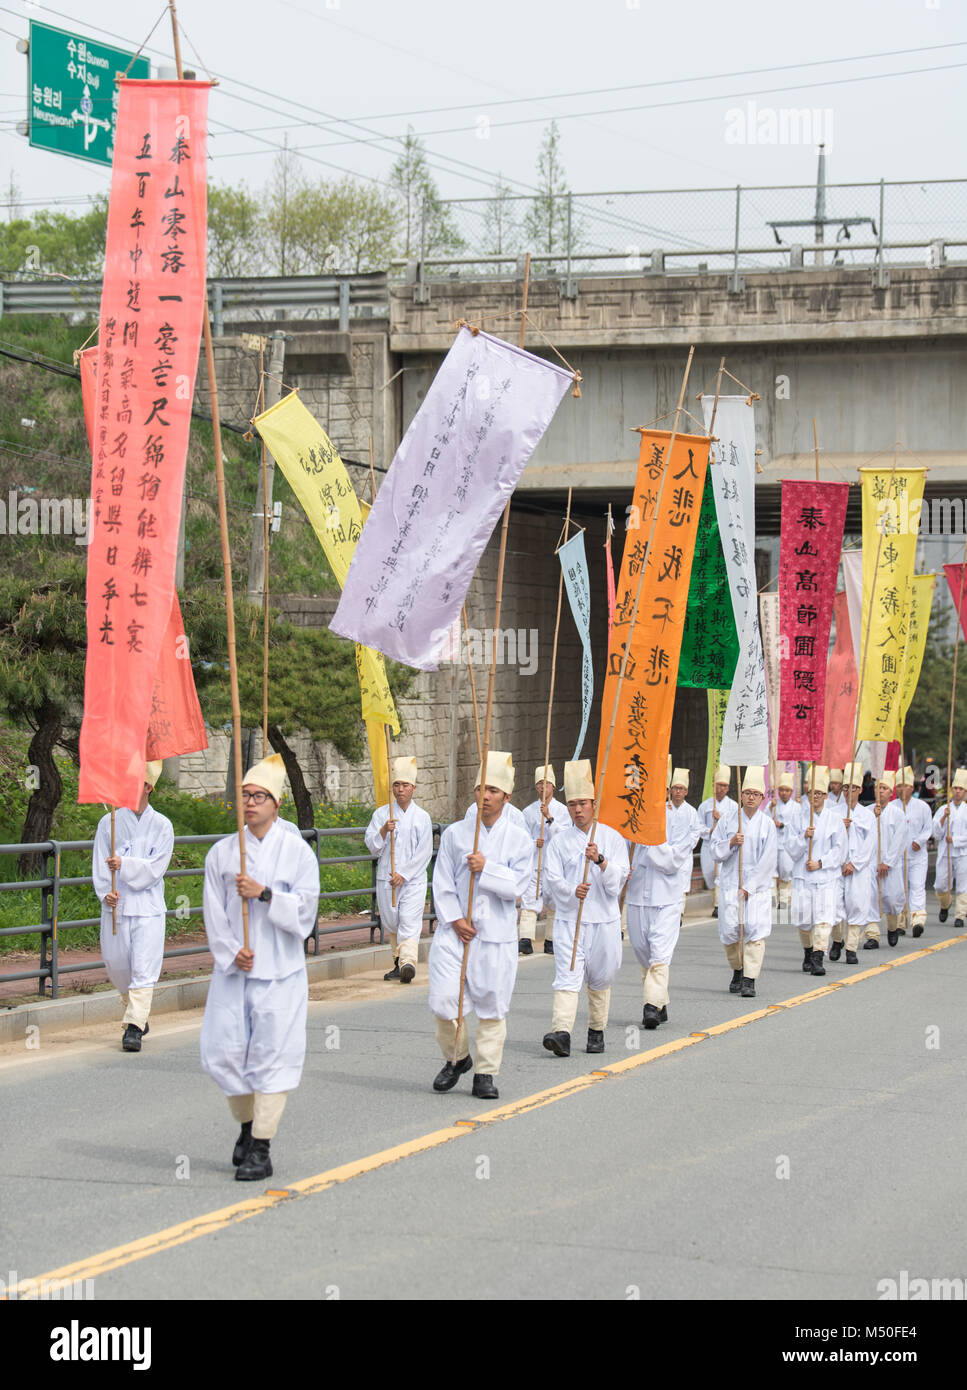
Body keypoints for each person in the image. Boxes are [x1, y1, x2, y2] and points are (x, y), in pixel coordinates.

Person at [200, 754, 320, 1182]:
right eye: (245, 795)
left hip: (280, 974)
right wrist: (232, 951)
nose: (250, 802)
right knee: (224, 1053)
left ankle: (262, 1147)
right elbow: (212, 911)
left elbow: (305, 913)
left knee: (271, 1057)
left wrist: (265, 894)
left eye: (259, 796)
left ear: (276, 804)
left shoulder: (297, 853)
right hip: (234, 973)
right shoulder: (222, 853)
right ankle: (248, 1127)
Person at [429, 752, 533, 1100]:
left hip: (495, 937)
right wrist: (455, 919)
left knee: (492, 1007)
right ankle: (457, 1058)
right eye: (480, 789)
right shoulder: (457, 834)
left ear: (506, 796)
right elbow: (441, 880)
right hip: (455, 933)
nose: (485, 796)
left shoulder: (518, 839)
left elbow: (518, 888)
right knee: (444, 1001)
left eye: (493, 790)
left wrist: (486, 867)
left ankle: (486, 1073)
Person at [541, 760, 629, 1057]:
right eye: (573, 804)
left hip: (604, 919)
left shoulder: (612, 838)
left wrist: (601, 861)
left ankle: (596, 1029)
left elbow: (619, 880)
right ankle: (562, 1032)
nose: (578, 810)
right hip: (570, 919)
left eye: (583, 804)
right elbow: (552, 878)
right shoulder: (560, 842)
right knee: (567, 976)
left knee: (601, 977)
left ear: (594, 804)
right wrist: (571, 890)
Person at [92, 760, 174, 1053]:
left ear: (149, 787)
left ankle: (134, 1027)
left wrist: (124, 864)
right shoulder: (109, 822)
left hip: (148, 907)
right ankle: (137, 1011)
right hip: (118, 906)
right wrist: (105, 892)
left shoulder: (163, 826)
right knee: (117, 964)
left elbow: (155, 869)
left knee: (143, 966)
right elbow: (100, 861)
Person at [625, 766, 701, 1028]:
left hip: (667, 896)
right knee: (642, 951)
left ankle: (650, 1008)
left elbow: (672, 860)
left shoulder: (677, 820)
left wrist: (649, 839)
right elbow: (621, 854)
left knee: (659, 953)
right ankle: (659, 999)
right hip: (636, 897)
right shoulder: (632, 816)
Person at [365, 756, 433, 984]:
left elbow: (424, 852)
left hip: (412, 881)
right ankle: (399, 962)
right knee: (392, 921)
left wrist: (404, 873)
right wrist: (384, 830)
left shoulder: (422, 818)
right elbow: (372, 846)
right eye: (397, 785)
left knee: (409, 920)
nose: (400, 789)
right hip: (387, 879)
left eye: (405, 785)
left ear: (413, 788)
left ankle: (408, 962)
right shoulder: (382, 815)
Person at [710, 766, 777, 998]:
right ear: (741, 795)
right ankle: (738, 969)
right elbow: (713, 850)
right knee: (730, 932)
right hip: (730, 883)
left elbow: (768, 859)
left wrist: (750, 886)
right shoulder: (729, 820)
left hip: (756, 888)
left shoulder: (767, 824)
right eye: (747, 792)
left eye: (755, 794)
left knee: (755, 932)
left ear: (762, 797)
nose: (751, 797)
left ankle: (750, 979)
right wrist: (730, 842)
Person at [788, 766, 847, 977]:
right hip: (803, 876)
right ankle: (807, 951)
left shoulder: (834, 819)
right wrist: (803, 838)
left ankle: (818, 956)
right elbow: (790, 847)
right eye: (812, 793)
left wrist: (821, 863)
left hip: (825, 877)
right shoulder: (798, 817)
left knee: (824, 918)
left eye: (820, 793)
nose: (816, 797)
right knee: (804, 919)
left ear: (825, 794)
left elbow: (840, 849)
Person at [828, 762, 878, 963]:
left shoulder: (867, 816)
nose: (849, 791)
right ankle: (837, 940)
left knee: (857, 904)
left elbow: (870, 844)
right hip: (837, 868)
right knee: (836, 905)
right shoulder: (833, 813)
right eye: (846, 787)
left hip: (858, 869)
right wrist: (840, 827)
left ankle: (851, 948)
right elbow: (827, 840)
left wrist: (854, 864)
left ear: (860, 790)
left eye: (854, 788)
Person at [519, 764, 566, 957]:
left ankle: (550, 940)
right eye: (539, 784)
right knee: (529, 900)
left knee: (554, 902)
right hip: (534, 862)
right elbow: (520, 838)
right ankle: (526, 939)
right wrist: (533, 843)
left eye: (546, 784)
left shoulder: (562, 810)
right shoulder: (528, 812)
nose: (542, 787)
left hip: (553, 863)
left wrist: (549, 818)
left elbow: (565, 836)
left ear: (553, 787)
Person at [896, 766, 932, 939]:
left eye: (905, 785)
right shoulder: (893, 807)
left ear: (912, 787)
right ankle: (900, 922)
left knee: (917, 887)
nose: (902, 789)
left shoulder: (923, 807)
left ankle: (918, 920)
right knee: (900, 890)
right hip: (898, 857)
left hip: (917, 856)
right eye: (899, 785)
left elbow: (928, 829)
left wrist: (919, 841)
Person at [874, 770, 909, 948]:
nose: (881, 791)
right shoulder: (868, 812)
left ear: (890, 792)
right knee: (870, 898)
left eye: (884, 788)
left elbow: (899, 840)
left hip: (891, 865)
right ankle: (872, 935)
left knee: (892, 897)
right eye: (878, 787)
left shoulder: (897, 813)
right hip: (871, 863)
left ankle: (893, 927)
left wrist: (887, 861)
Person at [697, 764, 736, 920]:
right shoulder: (705, 806)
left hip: (725, 846)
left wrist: (720, 822)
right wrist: (710, 831)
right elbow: (698, 826)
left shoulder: (733, 806)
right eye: (719, 785)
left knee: (721, 874)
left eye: (725, 786)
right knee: (709, 874)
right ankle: (716, 898)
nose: (722, 789)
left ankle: (718, 905)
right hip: (708, 846)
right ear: (714, 785)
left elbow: (735, 827)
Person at [932, 768, 967, 926]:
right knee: (941, 884)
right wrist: (943, 819)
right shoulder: (943, 809)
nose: (958, 792)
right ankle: (945, 904)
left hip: (962, 853)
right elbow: (936, 833)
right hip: (945, 853)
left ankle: (960, 915)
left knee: (962, 885)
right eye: (955, 788)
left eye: (961, 789)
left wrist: (956, 840)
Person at [771, 771, 801, 913]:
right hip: (773, 843)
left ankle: (784, 900)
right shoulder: (773, 805)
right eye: (781, 790)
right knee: (771, 872)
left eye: (787, 790)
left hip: (787, 845)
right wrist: (771, 810)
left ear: (791, 792)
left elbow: (797, 827)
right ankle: (772, 900)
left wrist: (783, 825)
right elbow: (764, 820)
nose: (784, 793)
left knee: (786, 872)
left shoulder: (796, 807)